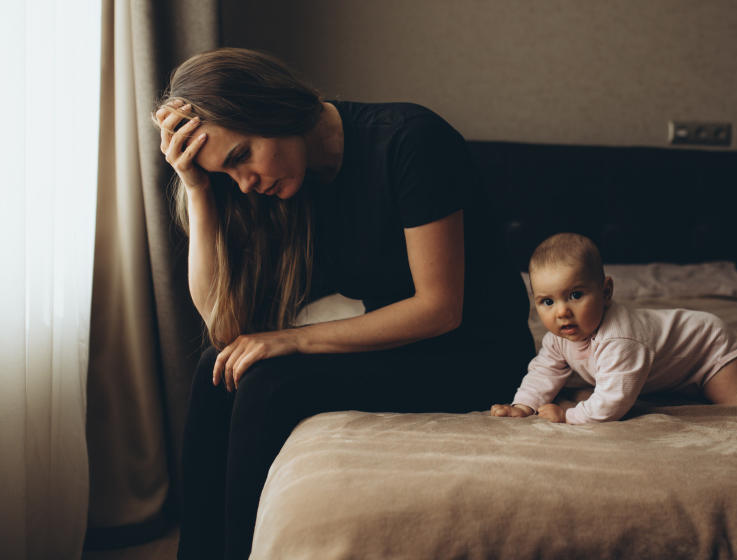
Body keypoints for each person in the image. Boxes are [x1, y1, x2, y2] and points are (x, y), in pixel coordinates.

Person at [154, 47, 533, 559]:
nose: (245, 183)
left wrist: (293, 340)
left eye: (240, 156)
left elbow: (440, 308)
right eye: (227, 174)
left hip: (478, 358)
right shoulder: (288, 186)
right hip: (401, 352)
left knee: (269, 380)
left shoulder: (410, 140)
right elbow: (224, 325)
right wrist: (197, 189)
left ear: (270, 107)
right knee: (216, 368)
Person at [490, 233, 737, 424]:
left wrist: (568, 416)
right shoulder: (558, 338)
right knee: (578, 388)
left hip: (705, 351)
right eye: (547, 302)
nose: (562, 312)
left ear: (606, 291)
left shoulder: (619, 340)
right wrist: (523, 405)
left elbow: (613, 404)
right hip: (668, 364)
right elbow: (544, 372)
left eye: (575, 295)